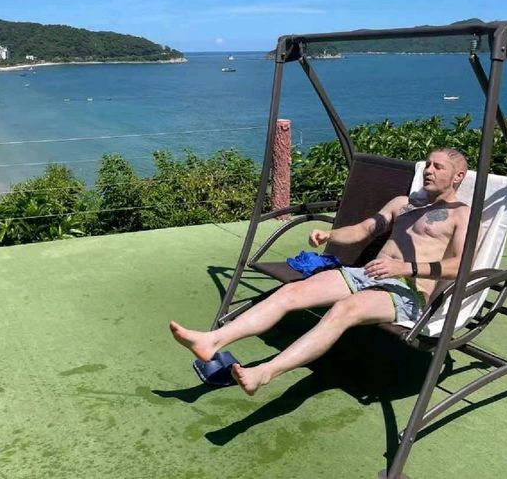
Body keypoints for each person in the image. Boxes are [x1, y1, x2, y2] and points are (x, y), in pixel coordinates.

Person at [170, 148, 470, 396]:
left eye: (438, 167)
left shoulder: (461, 214)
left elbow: (460, 265)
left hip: (408, 291)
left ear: (458, 176)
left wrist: (404, 267)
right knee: (291, 291)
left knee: (345, 310)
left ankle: (264, 372)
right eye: (427, 164)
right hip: (367, 275)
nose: (429, 170)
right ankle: (212, 341)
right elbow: (365, 229)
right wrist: (331, 236)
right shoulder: (403, 204)